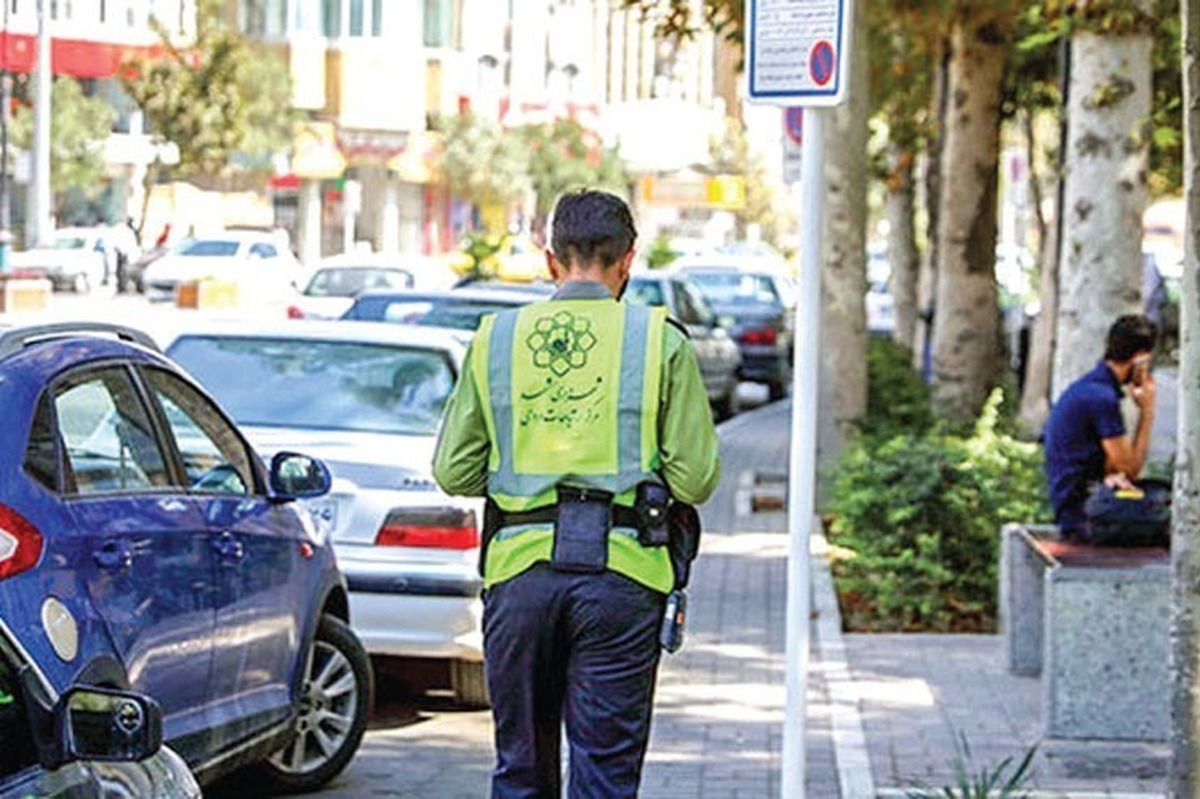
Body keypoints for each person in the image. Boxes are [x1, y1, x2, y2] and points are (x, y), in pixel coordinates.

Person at [432, 189, 720, 798]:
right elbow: (695, 479)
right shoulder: (658, 340)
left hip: (520, 577)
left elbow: (454, 472)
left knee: (521, 770)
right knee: (604, 775)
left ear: (550, 260)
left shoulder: (496, 339)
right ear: (628, 260)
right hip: (624, 580)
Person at [1043, 314, 1159, 542]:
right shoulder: (1102, 399)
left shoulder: (1090, 387)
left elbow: (1117, 469)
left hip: (1082, 503)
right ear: (1140, 359)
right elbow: (1130, 470)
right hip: (1081, 515)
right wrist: (1147, 411)